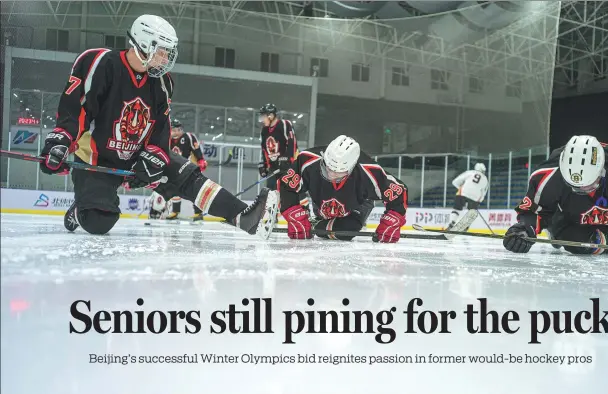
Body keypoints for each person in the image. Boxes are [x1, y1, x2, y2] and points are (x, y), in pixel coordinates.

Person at [38, 14, 278, 238]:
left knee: (187, 174)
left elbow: (159, 128)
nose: (166, 59)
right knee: (99, 222)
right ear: (143, 44)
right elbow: (76, 110)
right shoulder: (101, 63)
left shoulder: (162, 81)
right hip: (97, 158)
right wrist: (61, 140)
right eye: (162, 51)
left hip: (136, 154)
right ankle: (81, 209)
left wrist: (155, 156)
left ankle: (243, 217)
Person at [503, 135, 608, 261]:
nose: (582, 190)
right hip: (566, 221)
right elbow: (534, 210)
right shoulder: (547, 175)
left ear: (602, 170)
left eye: (588, 185)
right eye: (574, 186)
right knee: (572, 241)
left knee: (578, 241)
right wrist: (524, 229)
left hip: (605, 218)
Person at [278, 135, 408, 243]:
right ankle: (319, 222)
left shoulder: (369, 170)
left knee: (348, 231)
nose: (332, 175)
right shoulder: (307, 159)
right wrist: (295, 215)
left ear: (351, 168)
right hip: (322, 203)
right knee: (331, 225)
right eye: (328, 169)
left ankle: (316, 224)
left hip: (357, 205)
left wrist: (391, 222)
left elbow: (399, 192)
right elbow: (286, 184)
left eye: (339, 173)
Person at [162, 119, 208, 221]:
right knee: (174, 190)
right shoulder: (167, 139)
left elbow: (196, 149)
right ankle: (175, 212)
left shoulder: (188, 137)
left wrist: (200, 160)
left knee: (193, 189)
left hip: (187, 168)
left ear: (180, 129)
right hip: (173, 169)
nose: (173, 132)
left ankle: (198, 212)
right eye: (172, 129)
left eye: (175, 129)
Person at [446, 162, 489, 231]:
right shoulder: (485, 179)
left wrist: (461, 187)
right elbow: (483, 192)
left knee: (456, 209)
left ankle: (451, 224)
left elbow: (455, 182)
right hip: (475, 197)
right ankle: (465, 227)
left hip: (463, 193)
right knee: (471, 213)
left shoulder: (470, 172)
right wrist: (478, 202)